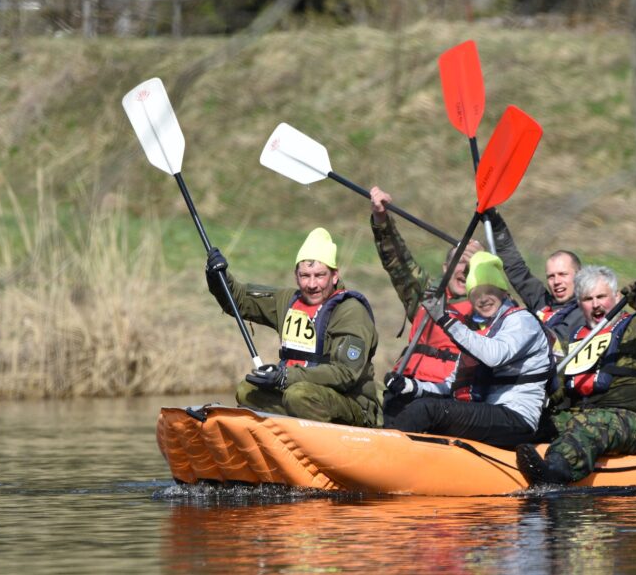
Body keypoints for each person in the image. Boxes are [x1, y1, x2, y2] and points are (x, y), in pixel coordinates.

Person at [515, 265, 636, 485]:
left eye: (601, 297)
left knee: (592, 424)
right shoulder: (574, 340)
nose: (596, 304)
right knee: (534, 421)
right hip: (578, 413)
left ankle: (554, 472)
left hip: (630, 417)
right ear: (580, 304)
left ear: (616, 297)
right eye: (588, 299)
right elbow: (557, 389)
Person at [205, 227, 382, 427]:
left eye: (320, 275)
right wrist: (217, 277)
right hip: (296, 394)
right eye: (305, 276)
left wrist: (285, 377)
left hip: (350, 404)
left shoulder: (351, 311)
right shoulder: (287, 300)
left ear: (334, 276)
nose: (312, 284)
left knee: (298, 395)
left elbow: (345, 374)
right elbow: (238, 299)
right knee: (246, 391)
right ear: (296, 275)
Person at [387, 251, 556, 448]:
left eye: (489, 291)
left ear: (504, 293)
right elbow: (450, 386)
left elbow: (495, 355)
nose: (483, 299)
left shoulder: (521, 320)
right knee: (409, 405)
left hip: (517, 418)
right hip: (489, 413)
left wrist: (445, 320)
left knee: (425, 410)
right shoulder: (481, 334)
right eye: (475, 295)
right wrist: (411, 386)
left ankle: (381, 456)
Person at [369, 186, 482, 422]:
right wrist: (382, 220)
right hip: (405, 385)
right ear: (445, 268)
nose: (464, 271)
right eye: (459, 263)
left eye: (472, 266)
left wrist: (486, 264)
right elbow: (398, 261)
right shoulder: (426, 293)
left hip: (445, 397)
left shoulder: (487, 306)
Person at [484, 208, 585, 345]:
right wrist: (497, 228)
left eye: (563, 274)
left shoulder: (586, 308)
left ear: (579, 275)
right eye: (551, 276)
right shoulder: (542, 301)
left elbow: (558, 341)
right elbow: (516, 269)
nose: (556, 282)